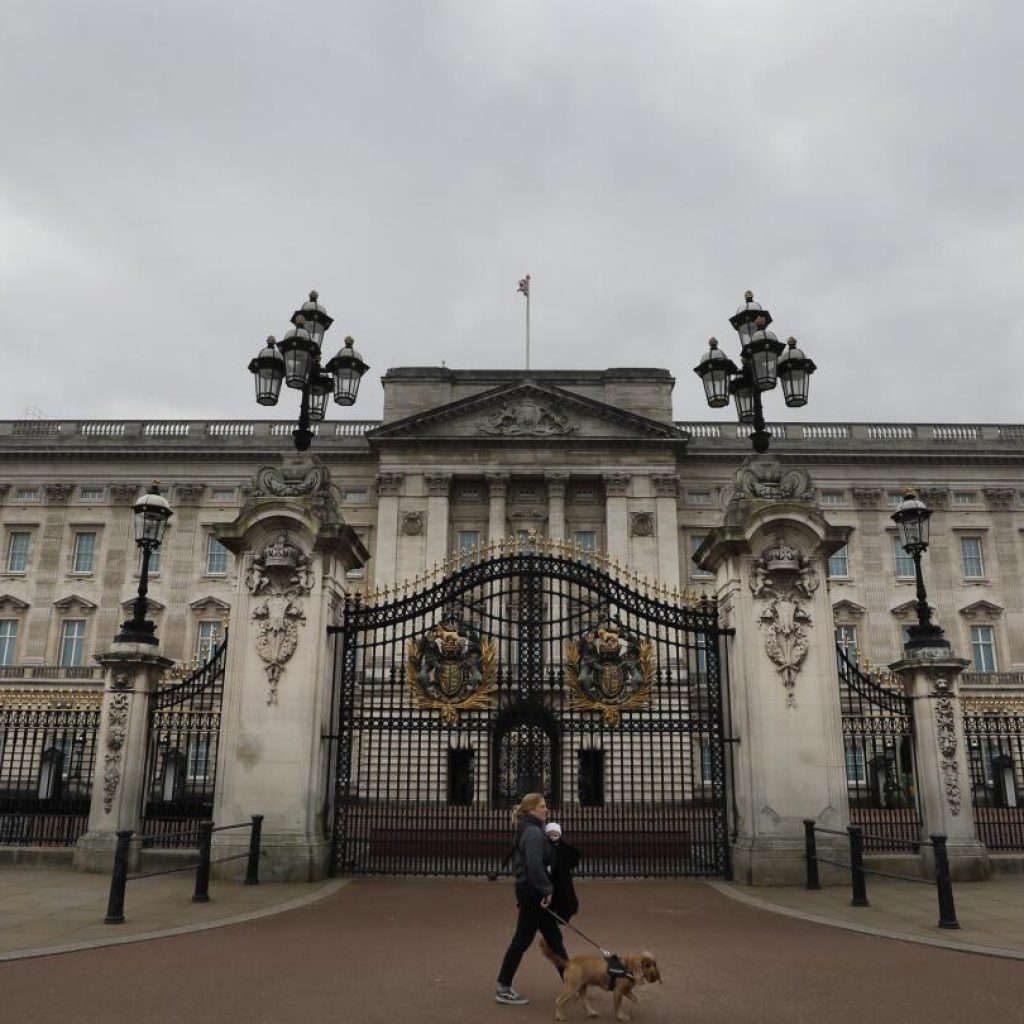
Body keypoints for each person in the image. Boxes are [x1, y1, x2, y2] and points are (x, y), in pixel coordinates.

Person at [495, 793, 571, 1006]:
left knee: (553, 937)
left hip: (530, 888)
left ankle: (571, 981)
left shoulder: (529, 829)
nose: (546, 809)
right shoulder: (534, 832)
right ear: (531, 810)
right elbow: (534, 864)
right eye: (542, 806)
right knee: (522, 939)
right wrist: (546, 889)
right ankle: (503, 986)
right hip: (533, 890)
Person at [544, 822, 580, 923]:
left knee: (564, 895)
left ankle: (563, 914)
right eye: (551, 835)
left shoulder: (563, 847)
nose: (553, 837)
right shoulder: (546, 847)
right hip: (551, 877)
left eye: (555, 835)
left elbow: (573, 856)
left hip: (561, 877)